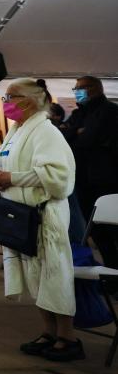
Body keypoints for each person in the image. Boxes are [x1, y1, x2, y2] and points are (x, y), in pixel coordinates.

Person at [0, 78, 80, 362]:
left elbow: (58, 176)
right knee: (34, 275)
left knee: (54, 274)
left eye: (10, 97)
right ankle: (48, 332)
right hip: (19, 215)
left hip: (44, 215)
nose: (5, 104)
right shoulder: (16, 131)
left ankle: (68, 337)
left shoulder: (46, 132)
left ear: (28, 100)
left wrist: (11, 178)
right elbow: (2, 164)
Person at [62, 75, 118, 269]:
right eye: (75, 88)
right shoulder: (79, 114)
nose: (77, 91)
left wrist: (77, 134)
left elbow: (90, 139)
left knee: (113, 228)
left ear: (95, 88)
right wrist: (76, 133)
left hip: (106, 180)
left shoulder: (110, 111)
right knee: (95, 230)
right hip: (82, 180)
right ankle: (111, 273)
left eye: (81, 87)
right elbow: (63, 137)